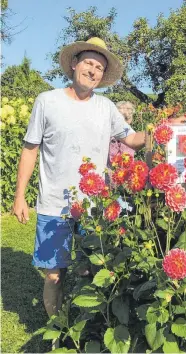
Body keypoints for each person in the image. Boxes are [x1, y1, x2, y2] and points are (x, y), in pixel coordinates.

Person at [12, 37, 146, 319]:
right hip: (53, 206)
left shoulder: (106, 107)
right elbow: (30, 149)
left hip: (92, 207)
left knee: (90, 270)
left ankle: (86, 329)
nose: (93, 70)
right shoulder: (47, 101)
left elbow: (132, 139)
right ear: (74, 64)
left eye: (99, 67)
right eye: (88, 62)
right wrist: (19, 196)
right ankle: (59, 331)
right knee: (54, 276)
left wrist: (164, 130)